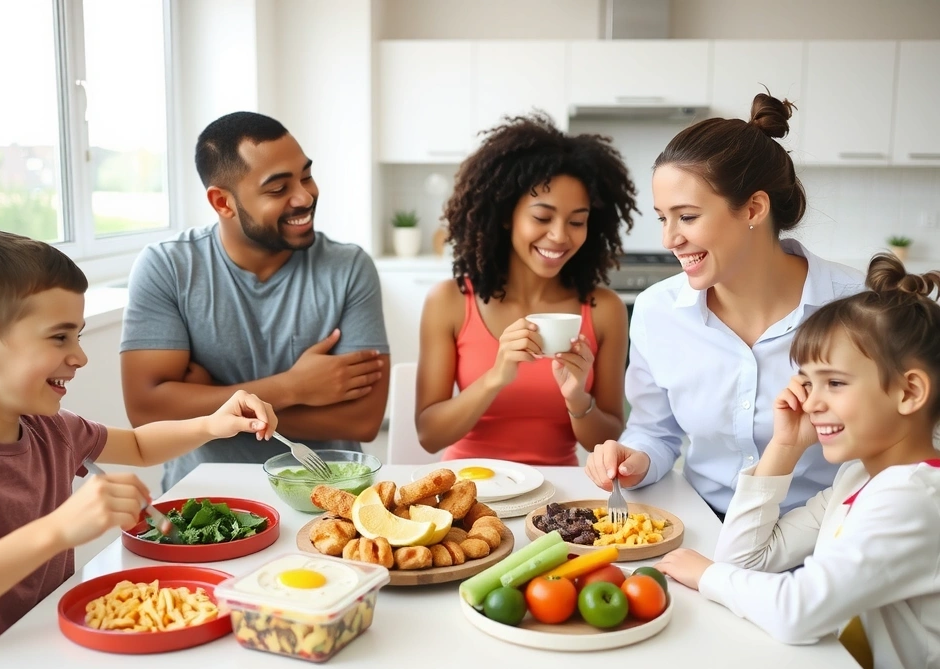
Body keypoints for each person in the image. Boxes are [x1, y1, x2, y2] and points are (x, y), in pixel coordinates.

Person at [0, 228, 277, 669]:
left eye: (79, 335)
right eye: (59, 336)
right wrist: (57, 530)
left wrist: (211, 424)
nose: (80, 356)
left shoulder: (51, 429)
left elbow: (141, 446)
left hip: (55, 666)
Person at [655, 253, 940, 669]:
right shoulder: (857, 481)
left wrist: (707, 575)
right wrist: (784, 447)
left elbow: (798, 611)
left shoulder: (914, 500)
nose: (810, 402)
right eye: (808, 382)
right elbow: (744, 560)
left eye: (835, 383)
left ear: (909, 392)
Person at [584, 93, 864, 516]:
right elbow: (655, 432)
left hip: (825, 536)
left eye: (688, 217)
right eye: (663, 218)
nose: (669, 239)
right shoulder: (658, 312)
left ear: (753, 207)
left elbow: (892, 446)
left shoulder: (857, 307)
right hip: (703, 527)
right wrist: (636, 458)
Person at [120, 112, 390, 492]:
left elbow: (362, 420)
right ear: (223, 202)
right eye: (278, 189)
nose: (305, 196)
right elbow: (147, 412)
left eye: (306, 176)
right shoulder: (168, 267)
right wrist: (293, 387)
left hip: (326, 495)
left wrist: (213, 397)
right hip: (204, 497)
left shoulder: (348, 268)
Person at [416, 113, 638, 466]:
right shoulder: (450, 301)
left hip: (559, 498)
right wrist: (495, 378)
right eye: (542, 217)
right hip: (469, 492)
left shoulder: (603, 309)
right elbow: (430, 436)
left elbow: (609, 440)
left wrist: (577, 398)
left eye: (577, 221)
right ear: (507, 215)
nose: (560, 236)